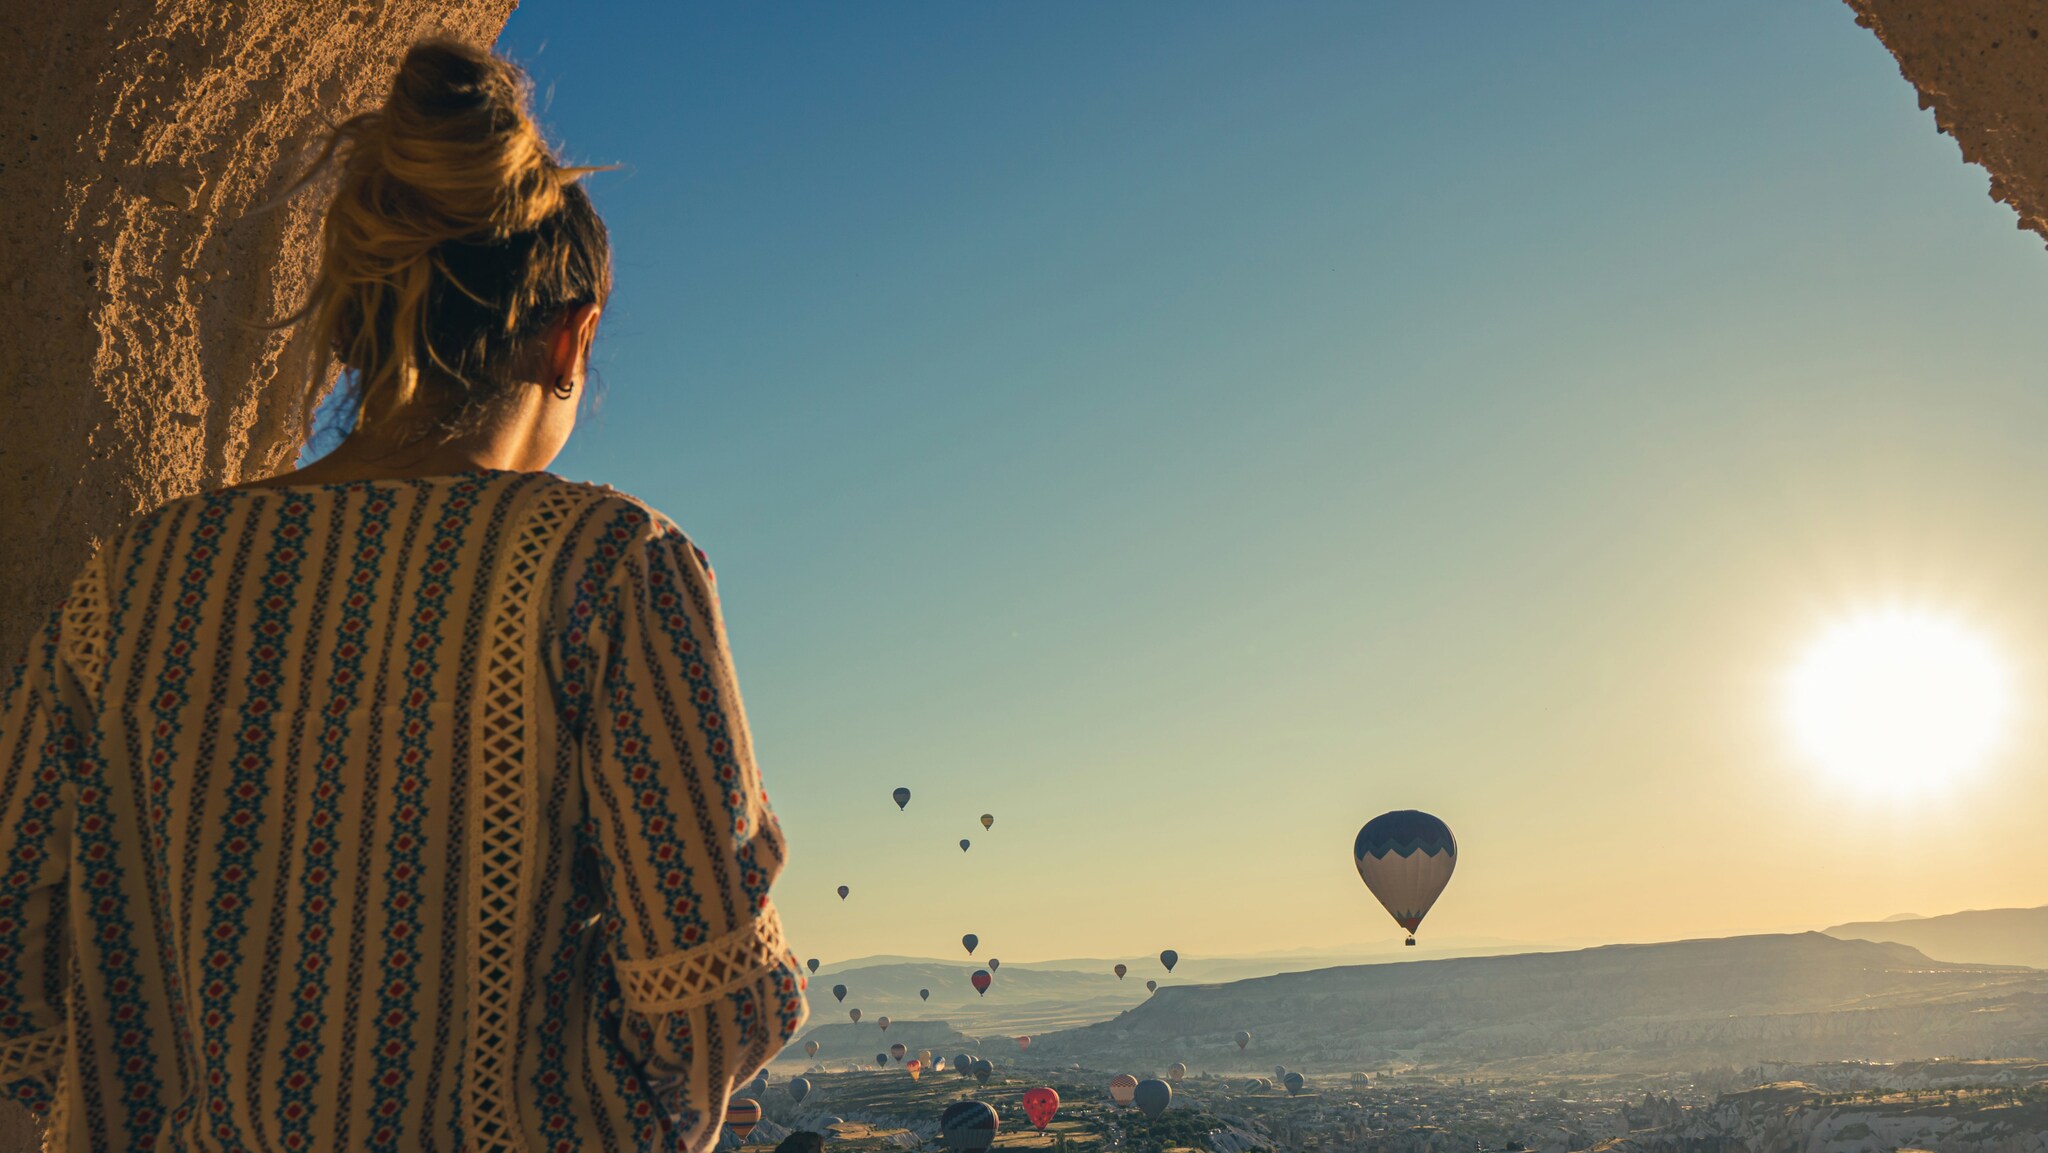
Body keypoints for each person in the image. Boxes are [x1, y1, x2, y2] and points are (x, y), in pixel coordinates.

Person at [0, 37, 805, 1152]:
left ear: (356, 324)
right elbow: (711, 994)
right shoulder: (605, 564)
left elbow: (16, 960)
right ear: (570, 334)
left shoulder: (127, 583)